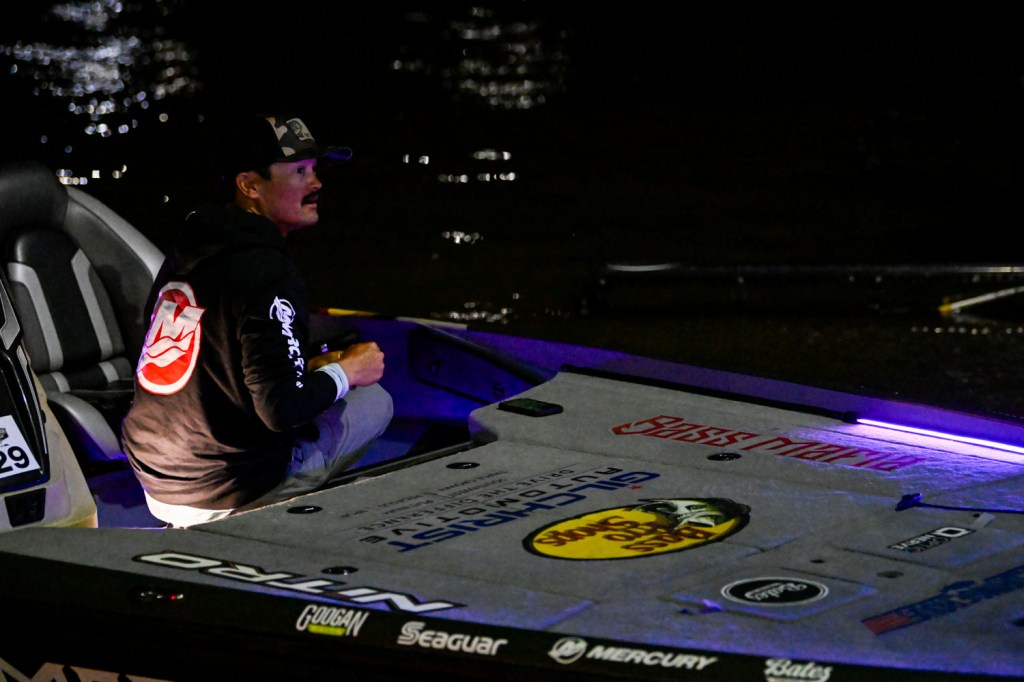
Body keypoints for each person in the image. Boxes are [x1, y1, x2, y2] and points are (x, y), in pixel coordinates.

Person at [121, 114, 393, 528]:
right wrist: (348, 372)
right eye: (299, 171)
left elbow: (214, 361)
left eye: (314, 169)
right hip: (222, 490)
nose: (316, 183)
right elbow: (281, 411)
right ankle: (273, 521)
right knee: (376, 400)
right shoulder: (268, 272)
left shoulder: (190, 248)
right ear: (249, 185)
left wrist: (313, 369)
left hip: (155, 476)